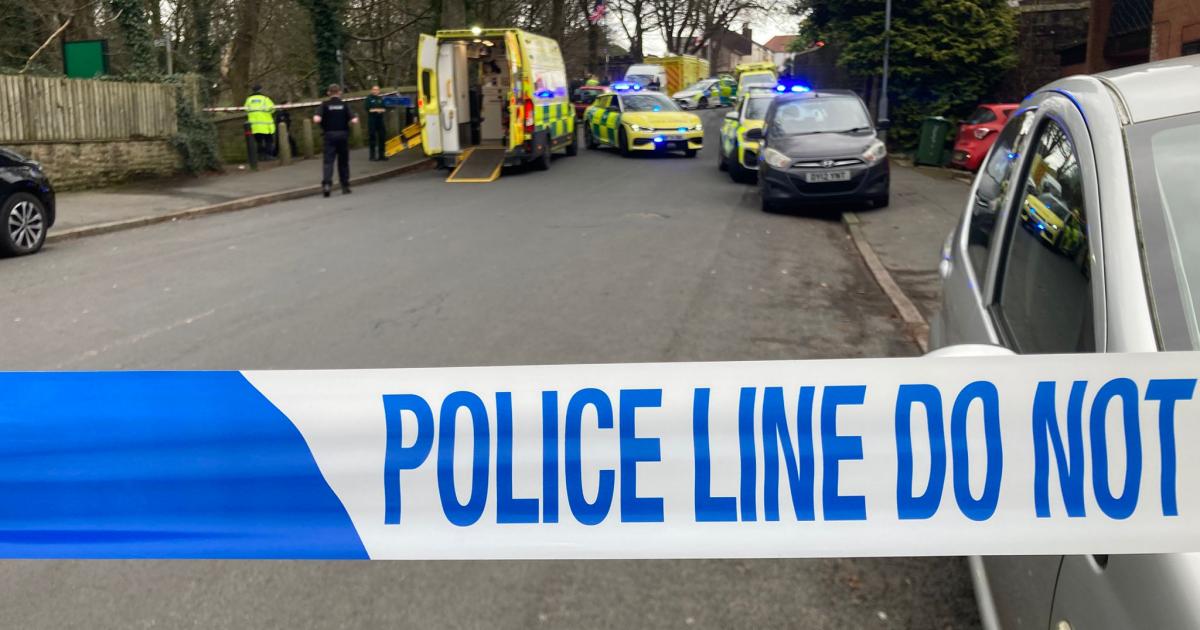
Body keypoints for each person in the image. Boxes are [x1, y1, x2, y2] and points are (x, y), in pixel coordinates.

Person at [313, 83, 359, 197]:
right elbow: (354, 120)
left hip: (329, 135)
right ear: (339, 93)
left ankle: (327, 185)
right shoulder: (344, 105)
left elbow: (316, 119)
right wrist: (352, 119)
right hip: (343, 135)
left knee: (328, 162)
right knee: (343, 162)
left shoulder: (324, 105)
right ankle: (345, 186)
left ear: (328, 93)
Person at [244, 85, 276, 161]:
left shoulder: (248, 99)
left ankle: (260, 156)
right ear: (261, 90)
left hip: (254, 126)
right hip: (266, 125)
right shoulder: (265, 99)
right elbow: (272, 109)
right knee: (268, 141)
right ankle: (268, 156)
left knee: (259, 142)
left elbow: (246, 110)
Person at [365, 85, 388, 161]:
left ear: (379, 91)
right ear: (372, 90)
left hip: (380, 120)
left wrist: (379, 110)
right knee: (372, 138)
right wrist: (376, 110)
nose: (375, 91)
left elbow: (384, 108)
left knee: (382, 137)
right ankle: (372, 156)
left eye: (377, 90)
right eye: (374, 89)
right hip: (372, 120)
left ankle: (382, 155)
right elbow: (368, 109)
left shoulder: (380, 99)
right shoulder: (368, 99)